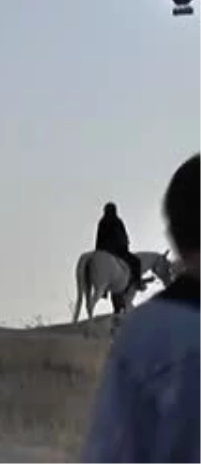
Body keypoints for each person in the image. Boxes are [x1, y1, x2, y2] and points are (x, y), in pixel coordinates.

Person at [81, 153, 201, 462]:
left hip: (105, 251)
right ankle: (134, 280)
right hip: (116, 251)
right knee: (132, 264)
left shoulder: (144, 333)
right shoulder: (116, 223)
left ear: (174, 235)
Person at [95, 202, 147, 296]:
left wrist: (98, 252)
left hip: (104, 250)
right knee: (136, 262)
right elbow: (123, 236)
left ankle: (104, 291)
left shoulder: (102, 222)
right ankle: (138, 283)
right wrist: (125, 245)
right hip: (118, 251)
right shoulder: (117, 221)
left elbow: (98, 238)